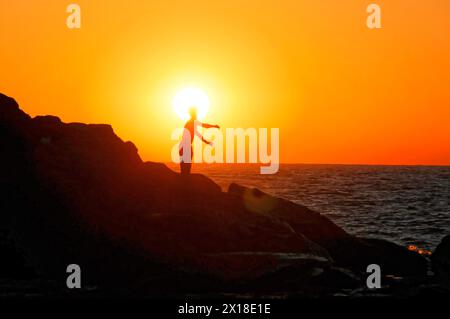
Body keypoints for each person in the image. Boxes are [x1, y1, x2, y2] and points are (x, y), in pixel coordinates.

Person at [179, 107, 219, 175]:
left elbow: (197, 134)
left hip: (185, 146)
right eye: (196, 114)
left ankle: (184, 178)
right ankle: (184, 179)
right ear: (193, 114)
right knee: (186, 166)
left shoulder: (191, 123)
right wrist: (214, 126)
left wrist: (206, 141)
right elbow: (204, 125)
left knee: (186, 166)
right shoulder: (192, 122)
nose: (197, 115)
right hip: (185, 146)